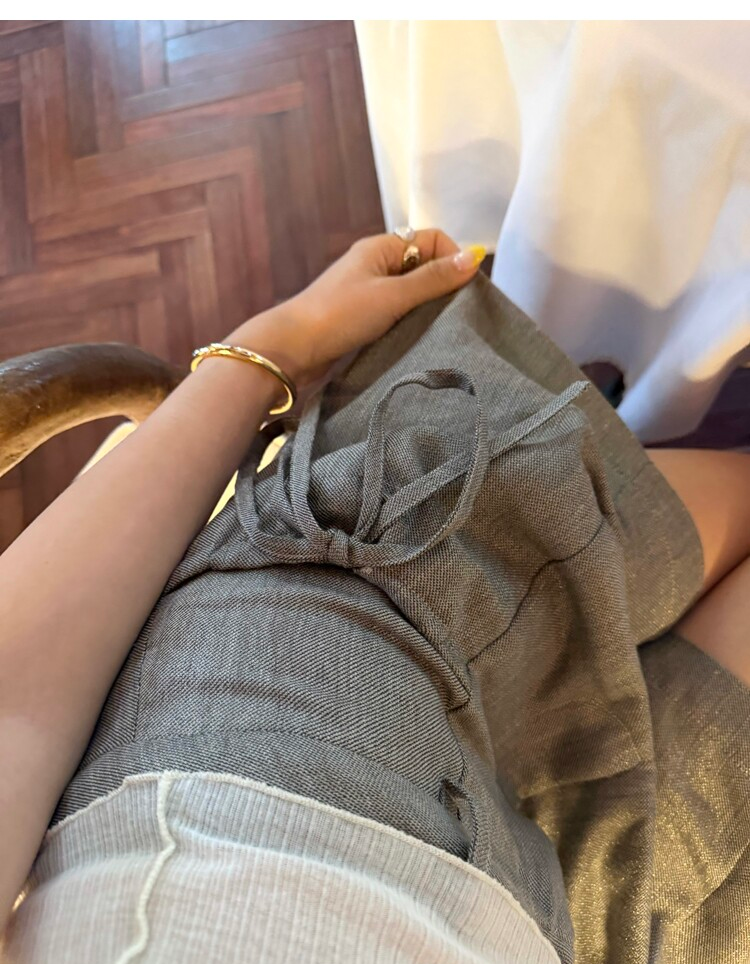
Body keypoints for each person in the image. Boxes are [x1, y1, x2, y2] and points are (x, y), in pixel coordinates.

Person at [1, 230, 749, 963]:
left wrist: (270, 351)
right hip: (538, 929)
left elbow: (14, 706)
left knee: (649, 519)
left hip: (295, 722)